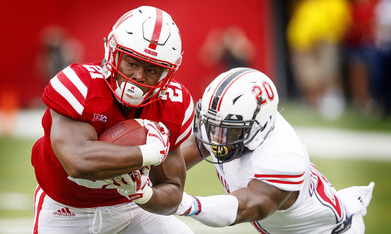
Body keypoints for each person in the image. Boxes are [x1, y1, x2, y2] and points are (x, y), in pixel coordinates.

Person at [31, 6, 194, 234]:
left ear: (167, 73)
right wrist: (150, 152)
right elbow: (78, 161)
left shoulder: (173, 104)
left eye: (152, 70)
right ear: (112, 53)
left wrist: (144, 194)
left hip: (131, 208)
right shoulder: (81, 85)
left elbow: (173, 192)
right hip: (66, 211)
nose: (139, 77)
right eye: (132, 63)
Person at [174, 67, 375, 233]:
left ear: (258, 126)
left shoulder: (284, 155)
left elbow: (244, 207)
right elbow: (193, 147)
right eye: (212, 126)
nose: (216, 138)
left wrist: (185, 203)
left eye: (228, 131)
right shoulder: (230, 124)